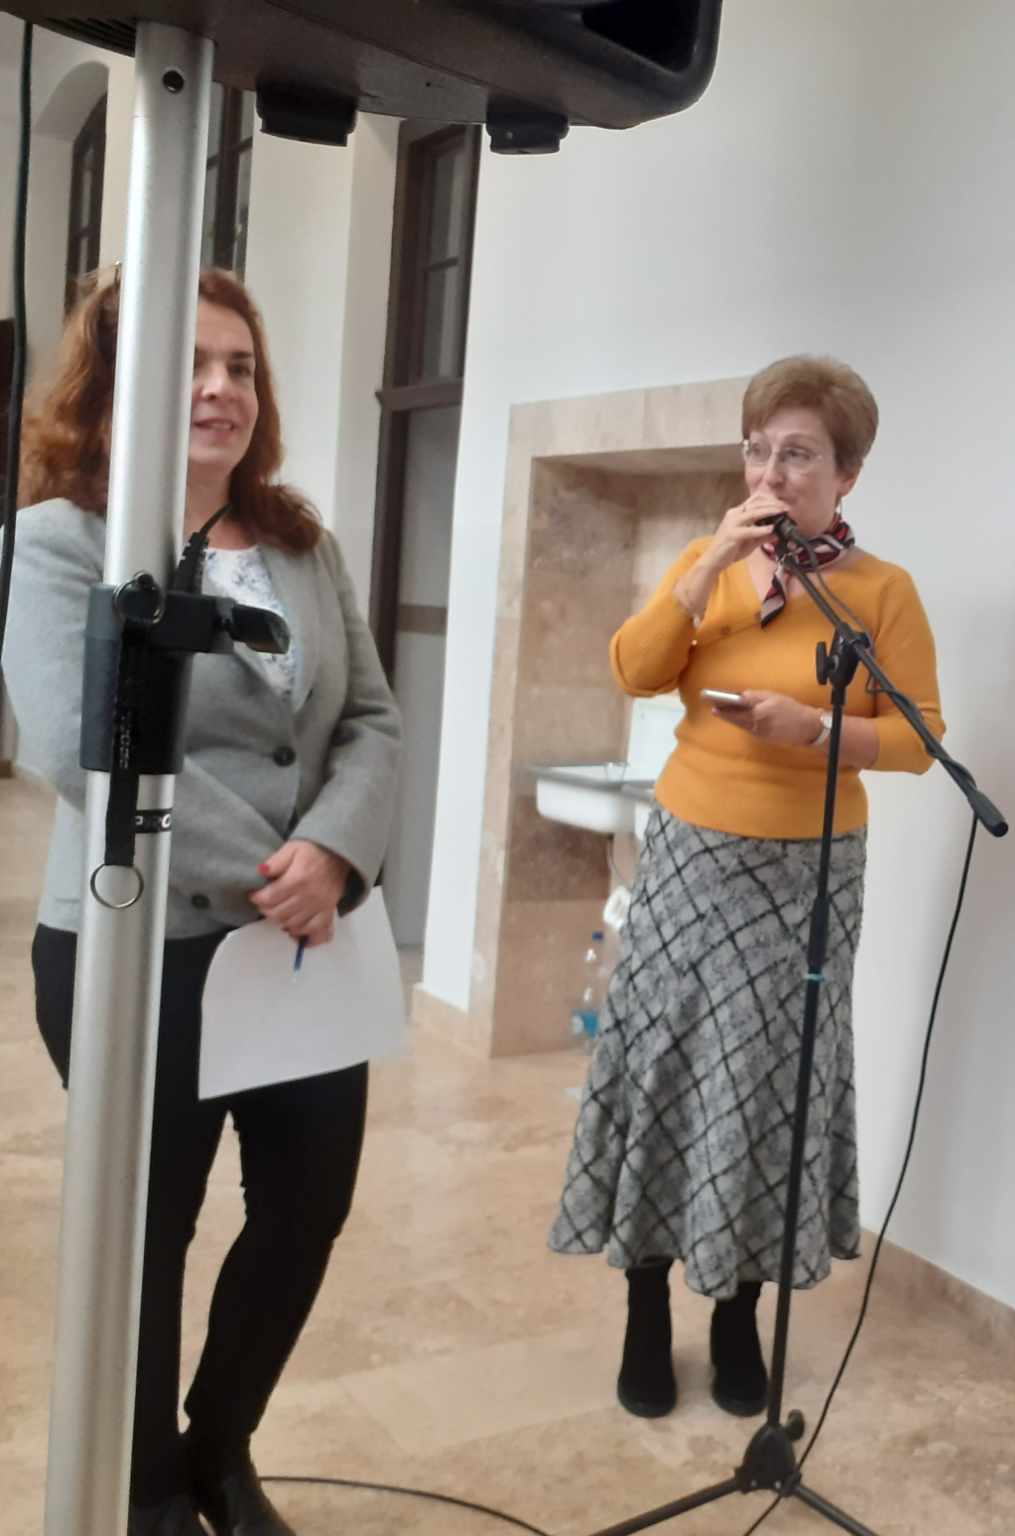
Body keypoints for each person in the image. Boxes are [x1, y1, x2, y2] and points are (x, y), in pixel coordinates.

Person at [2, 269, 402, 1536]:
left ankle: (219, 1447)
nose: (221, 388)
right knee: (148, 1231)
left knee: (305, 1211)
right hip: (142, 945)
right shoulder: (63, 540)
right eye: (190, 362)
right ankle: (145, 1485)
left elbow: (372, 719)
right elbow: (83, 746)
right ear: (117, 383)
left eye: (240, 366)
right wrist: (270, 869)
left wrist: (332, 850)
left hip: (303, 947)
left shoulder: (302, 545)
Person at [550, 355, 944, 1420]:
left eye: (799, 453)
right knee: (660, 1068)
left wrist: (815, 731)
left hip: (809, 874)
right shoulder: (708, 563)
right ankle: (643, 1308)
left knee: (767, 1089)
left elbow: (919, 739)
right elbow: (634, 669)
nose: (771, 471)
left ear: (846, 474)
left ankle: (735, 1317)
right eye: (758, 449)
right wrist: (706, 568)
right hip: (690, 857)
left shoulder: (880, 593)